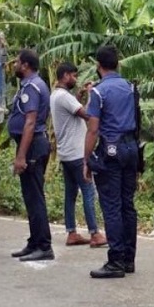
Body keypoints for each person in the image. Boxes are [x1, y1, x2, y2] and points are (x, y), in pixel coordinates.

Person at [83, 45, 139, 279]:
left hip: (111, 151)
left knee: (112, 206)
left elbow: (93, 129)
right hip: (131, 149)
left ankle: (115, 260)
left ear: (98, 66)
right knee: (127, 204)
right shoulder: (129, 87)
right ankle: (128, 259)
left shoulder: (98, 92)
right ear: (117, 63)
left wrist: (86, 159)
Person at [50, 62, 108, 248]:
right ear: (65, 76)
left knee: (70, 194)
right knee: (89, 192)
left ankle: (71, 232)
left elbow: (71, 110)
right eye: (74, 76)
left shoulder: (57, 95)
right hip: (77, 153)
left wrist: (79, 95)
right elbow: (88, 115)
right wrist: (91, 94)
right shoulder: (64, 97)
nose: (76, 79)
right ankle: (95, 234)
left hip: (65, 153)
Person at [8, 49, 54, 262]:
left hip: (33, 146)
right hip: (31, 145)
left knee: (35, 197)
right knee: (30, 196)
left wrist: (21, 156)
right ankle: (35, 242)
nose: (15, 65)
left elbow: (30, 122)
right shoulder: (30, 85)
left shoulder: (32, 87)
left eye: (17, 62)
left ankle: (44, 246)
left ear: (25, 65)